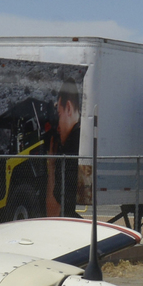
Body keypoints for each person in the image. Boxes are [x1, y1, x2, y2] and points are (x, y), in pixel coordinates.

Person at [46, 80, 82, 216]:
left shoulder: (70, 146)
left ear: (68, 108)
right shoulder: (79, 137)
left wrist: (51, 165)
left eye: (59, 115)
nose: (58, 127)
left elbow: (53, 212)